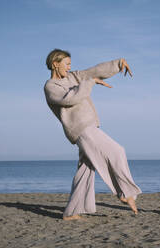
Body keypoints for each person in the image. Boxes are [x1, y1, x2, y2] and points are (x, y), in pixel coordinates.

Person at [44, 49, 142, 220]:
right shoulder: (51, 87)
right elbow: (69, 99)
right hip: (81, 129)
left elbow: (93, 71)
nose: (69, 67)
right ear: (55, 64)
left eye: (70, 64)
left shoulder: (73, 77)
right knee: (118, 151)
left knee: (86, 169)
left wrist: (118, 64)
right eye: (66, 64)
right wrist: (90, 83)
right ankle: (126, 192)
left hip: (89, 127)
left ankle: (72, 212)